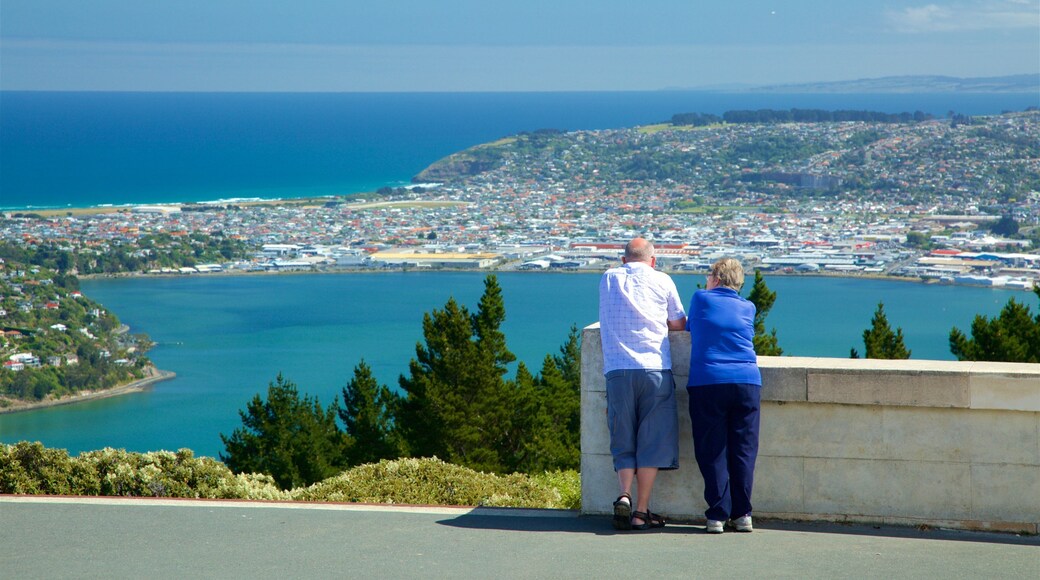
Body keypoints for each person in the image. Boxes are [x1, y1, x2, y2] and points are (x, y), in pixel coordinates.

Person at [598, 237, 687, 530]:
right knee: (653, 441)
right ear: (653, 260)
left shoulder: (608, 278)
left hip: (618, 370)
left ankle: (623, 494)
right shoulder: (663, 280)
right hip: (654, 368)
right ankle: (641, 511)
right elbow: (677, 324)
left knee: (622, 436)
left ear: (624, 260)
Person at [685, 257, 762, 534]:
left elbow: (689, 327)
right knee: (744, 450)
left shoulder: (701, 298)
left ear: (715, 278)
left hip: (709, 382)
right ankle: (743, 514)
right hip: (747, 383)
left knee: (712, 450)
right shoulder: (749, 306)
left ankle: (717, 514)